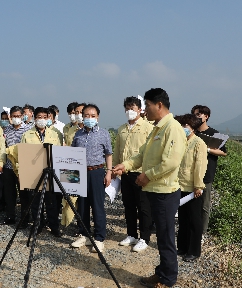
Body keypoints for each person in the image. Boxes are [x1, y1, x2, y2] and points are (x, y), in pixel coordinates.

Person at [112, 88, 186, 288]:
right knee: (162, 236)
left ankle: (167, 282)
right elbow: (142, 154)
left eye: (148, 105)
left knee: (165, 238)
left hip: (164, 192)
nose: (145, 109)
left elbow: (171, 162)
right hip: (154, 190)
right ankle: (161, 273)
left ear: (159, 105)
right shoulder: (157, 129)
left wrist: (147, 176)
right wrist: (125, 165)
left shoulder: (173, 128)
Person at [112, 96, 154, 253]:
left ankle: (144, 237)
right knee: (128, 205)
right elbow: (117, 150)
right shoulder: (122, 128)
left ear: (140, 109)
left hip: (141, 172)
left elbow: (150, 152)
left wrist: (147, 172)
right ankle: (131, 234)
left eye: (133, 107)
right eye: (127, 108)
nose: (130, 111)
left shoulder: (147, 127)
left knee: (143, 206)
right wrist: (115, 169)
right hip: (124, 172)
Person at [70, 103, 113, 253]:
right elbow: (73, 154)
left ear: (98, 117)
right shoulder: (78, 134)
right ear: (82, 117)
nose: (89, 118)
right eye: (86, 115)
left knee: (97, 206)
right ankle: (84, 234)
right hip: (81, 172)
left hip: (97, 172)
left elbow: (108, 154)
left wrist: (108, 172)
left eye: (92, 116)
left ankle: (99, 237)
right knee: (82, 205)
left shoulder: (104, 133)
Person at [20, 107, 62, 237]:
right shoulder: (27, 134)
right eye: (39, 117)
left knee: (51, 202)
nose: (42, 120)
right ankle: (37, 225)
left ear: (49, 118)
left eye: (45, 117)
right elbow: (23, 155)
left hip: (51, 173)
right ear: (34, 118)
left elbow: (59, 153)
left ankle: (54, 226)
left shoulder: (55, 134)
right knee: (36, 202)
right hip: (34, 174)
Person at [174, 114, 207, 263]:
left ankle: (194, 251)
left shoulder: (199, 143)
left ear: (192, 127)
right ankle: (182, 246)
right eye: (181, 125)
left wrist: (198, 186)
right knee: (183, 218)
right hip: (180, 185)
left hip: (193, 187)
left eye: (185, 126)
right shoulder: (181, 142)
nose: (183, 128)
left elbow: (200, 166)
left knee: (194, 220)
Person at [191, 105, 227, 233]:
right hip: (190, 172)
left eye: (199, 114)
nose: (197, 117)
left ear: (206, 117)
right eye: (195, 114)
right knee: (190, 203)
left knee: (204, 205)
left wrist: (208, 150)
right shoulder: (192, 132)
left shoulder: (214, 134)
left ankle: (202, 231)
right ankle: (191, 229)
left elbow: (223, 152)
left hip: (207, 173)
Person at [1, 106, 31, 225]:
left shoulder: (28, 130)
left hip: (22, 167)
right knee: (9, 193)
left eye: (18, 116)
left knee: (24, 194)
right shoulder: (6, 129)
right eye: (14, 116)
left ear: (23, 116)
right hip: (8, 166)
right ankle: (10, 216)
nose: (16, 118)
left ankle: (24, 219)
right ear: (10, 117)